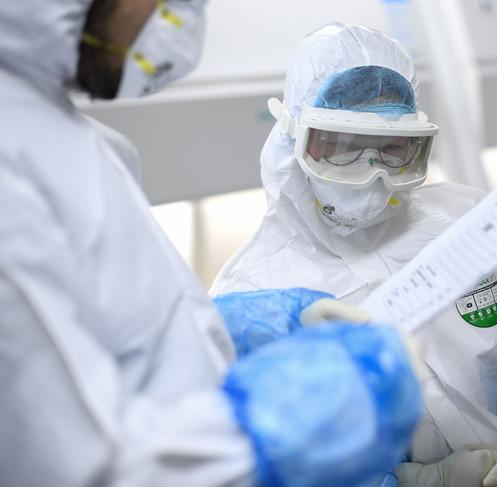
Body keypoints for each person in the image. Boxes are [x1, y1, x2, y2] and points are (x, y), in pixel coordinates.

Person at [0, 2, 424, 486]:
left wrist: (220, 328)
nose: (183, 19)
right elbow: (81, 468)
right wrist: (278, 430)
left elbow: (89, 332)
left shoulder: (52, 128)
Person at [211, 23, 497, 487]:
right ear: (294, 136)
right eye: (342, 148)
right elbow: (277, 454)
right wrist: (415, 480)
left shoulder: (472, 220)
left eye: (394, 150)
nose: (374, 173)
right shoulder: (254, 296)